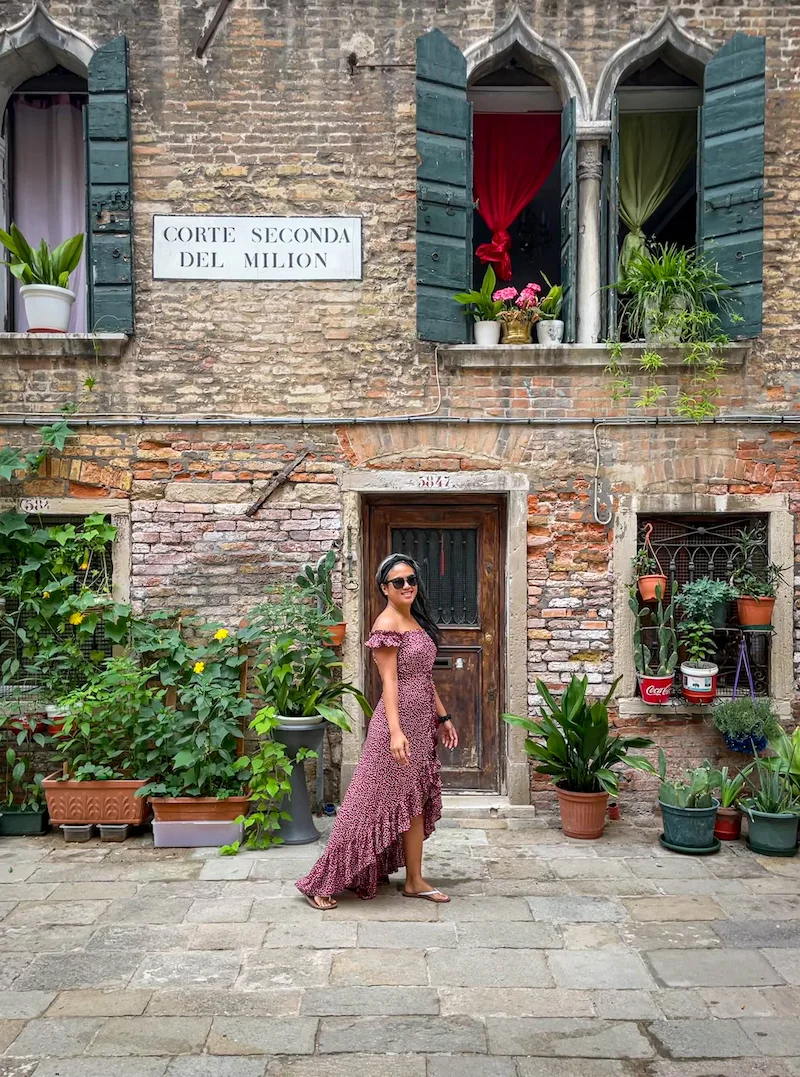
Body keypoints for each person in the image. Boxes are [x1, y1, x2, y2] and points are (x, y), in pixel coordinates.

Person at [296, 553, 458, 909]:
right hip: (394, 727)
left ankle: (414, 881)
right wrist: (396, 732)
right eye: (398, 582)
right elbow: (389, 683)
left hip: (421, 723)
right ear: (384, 588)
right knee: (364, 804)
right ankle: (321, 882)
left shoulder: (415, 620)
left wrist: (442, 718)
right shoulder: (386, 624)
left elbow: (423, 678)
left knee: (412, 801)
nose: (407, 586)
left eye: (411, 580)